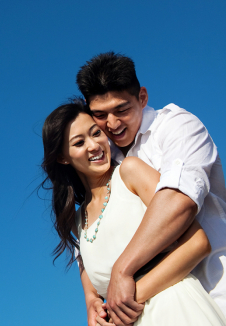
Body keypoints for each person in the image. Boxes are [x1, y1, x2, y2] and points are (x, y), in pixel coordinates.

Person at [41, 99, 226, 326]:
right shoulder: (77, 223)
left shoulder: (130, 172)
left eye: (96, 133)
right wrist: (95, 307)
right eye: (79, 142)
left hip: (177, 310)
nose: (94, 145)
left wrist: (128, 300)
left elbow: (197, 243)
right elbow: (95, 297)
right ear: (63, 157)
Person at [75, 52, 226, 325]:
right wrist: (92, 299)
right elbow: (88, 240)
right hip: (146, 309)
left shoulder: (177, 127)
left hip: (215, 286)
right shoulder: (106, 162)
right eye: (100, 115)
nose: (112, 124)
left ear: (142, 97)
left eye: (122, 109)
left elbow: (178, 202)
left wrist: (123, 268)